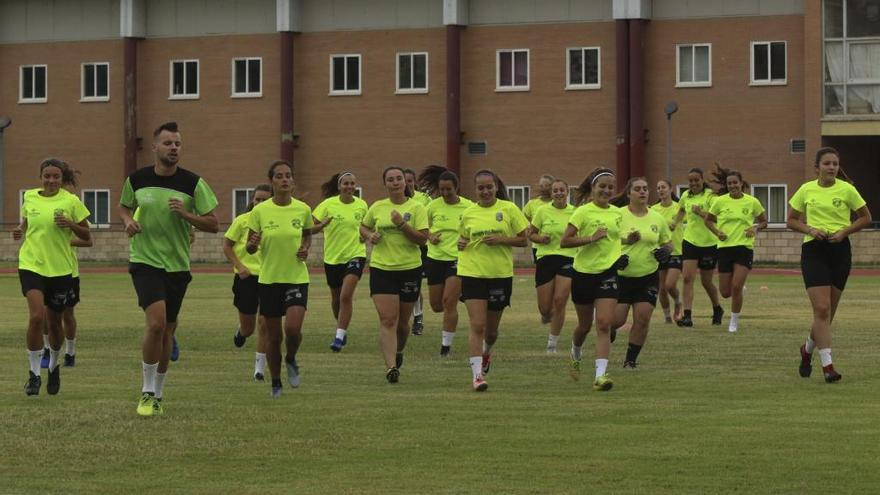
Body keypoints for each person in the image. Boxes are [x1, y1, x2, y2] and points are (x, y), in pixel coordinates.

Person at [119, 122, 219, 417]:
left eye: (177, 143)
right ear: (155, 147)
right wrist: (127, 221)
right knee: (156, 323)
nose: (173, 148)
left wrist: (186, 214)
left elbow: (213, 223)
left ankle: (159, 393)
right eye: (168, 143)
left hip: (177, 266)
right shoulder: (137, 179)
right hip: (145, 261)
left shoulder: (193, 183)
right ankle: (146, 391)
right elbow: (124, 206)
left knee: (167, 332)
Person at [787, 147, 871, 383]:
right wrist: (810, 229)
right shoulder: (806, 189)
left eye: (835, 163)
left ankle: (807, 350)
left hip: (840, 251)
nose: (832, 167)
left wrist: (845, 231)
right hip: (814, 251)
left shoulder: (847, 190)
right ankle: (828, 366)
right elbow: (791, 220)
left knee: (827, 314)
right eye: (827, 163)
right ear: (817, 167)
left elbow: (866, 217)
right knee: (821, 309)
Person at [15, 158, 91, 396]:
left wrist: (69, 223)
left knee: (55, 324)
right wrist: (20, 229)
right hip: (31, 264)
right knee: (37, 317)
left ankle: (54, 364)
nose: (50, 181)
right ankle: (34, 374)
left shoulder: (71, 201)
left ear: (61, 178)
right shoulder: (29, 197)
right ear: (40, 177)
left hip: (59, 270)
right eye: (46, 176)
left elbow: (86, 233)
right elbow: (27, 222)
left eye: (55, 177)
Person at [246, 160, 314, 398]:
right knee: (274, 337)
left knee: (293, 329)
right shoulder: (259, 212)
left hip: (296, 277)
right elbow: (250, 247)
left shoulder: (302, 209)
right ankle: (275, 382)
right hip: (269, 280)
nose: (285, 179)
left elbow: (307, 235)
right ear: (272, 181)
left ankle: (292, 358)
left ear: (292, 181)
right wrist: (252, 244)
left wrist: (305, 247)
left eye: (288, 176)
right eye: (279, 176)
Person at [457, 169, 528, 392]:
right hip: (472, 272)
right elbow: (463, 238)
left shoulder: (508, 209)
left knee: (491, 331)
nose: (485, 191)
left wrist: (501, 240)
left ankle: (487, 352)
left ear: (496, 186)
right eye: (481, 188)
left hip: (500, 275)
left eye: (489, 187)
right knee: (477, 325)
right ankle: (477, 376)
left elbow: (523, 240)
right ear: (475, 189)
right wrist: (460, 243)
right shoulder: (469, 213)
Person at [361, 167, 429, 383]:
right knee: (388, 319)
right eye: (390, 179)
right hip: (382, 269)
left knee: (402, 323)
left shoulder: (417, 208)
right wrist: (370, 235)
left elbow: (422, 239)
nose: (396, 182)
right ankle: (391, 368)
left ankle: (398, 352)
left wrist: (401, 224)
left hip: (409, 268)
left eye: (399, 178)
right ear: (385, 184)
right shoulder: (377, 207)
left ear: (406, 183)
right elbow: (363, 227)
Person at [561, 167, 622, 391]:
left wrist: (630, 239)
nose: (606, 190)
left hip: (608, 273)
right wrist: (590, 238)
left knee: (604, 324)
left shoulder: (617, 213)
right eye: (602, 186)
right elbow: (565, 241)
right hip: (584, 274)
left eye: (610, 187)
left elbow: (616, 238)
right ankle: (575, 352)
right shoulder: (582, 212)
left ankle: (601, 375)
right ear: (593, 188)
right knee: (584, 326)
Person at [609, 177, 671, 369]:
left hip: (648, 276)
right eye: (637, 189)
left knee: (643, 318)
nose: (643, 192)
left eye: (645, 188)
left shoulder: (657, 218)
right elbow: (607, 242)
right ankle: (609, 328)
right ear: (629, 194)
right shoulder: (617, 215)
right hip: (622, 276)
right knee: (617, 320)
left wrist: (665, 252)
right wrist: (615, 260)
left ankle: (630, 360)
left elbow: (668, 242)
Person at [419, 165, 473, 356]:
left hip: (457, 259)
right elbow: (423, 228)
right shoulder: (432, 206)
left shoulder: (468, 207)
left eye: (448, 189)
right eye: (442, 189)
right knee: (436, 305)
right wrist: (430, 236)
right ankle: (461, 293)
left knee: (448, 302)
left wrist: (466, 240)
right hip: (435, 259)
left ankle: (445, 347)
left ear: (456, 187)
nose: (445, 193)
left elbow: (475, 230)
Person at [705, 166, 768, 333]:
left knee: (736, 286)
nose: (732, 185)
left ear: (741, 183)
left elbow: (763, 221)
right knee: (725, 292)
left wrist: (755, 228)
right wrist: (718, 232)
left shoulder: (752, 201)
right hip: (725, 248)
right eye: (729, 183)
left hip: (744, 248)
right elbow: (708, 221)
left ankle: (734, 321)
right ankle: (738, 290)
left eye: (735, 183)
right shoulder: (720, 202)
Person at [312, 172, 369, 352]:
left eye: (352, 183)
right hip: (333, 258)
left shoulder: (361, 205)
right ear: (339, 186)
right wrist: (321, 226)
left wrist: (365, 236)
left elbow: (368, 226)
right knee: (336, 299)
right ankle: (341, 327)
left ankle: (338, 336)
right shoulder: (327, 205)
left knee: (346, 296)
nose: (349, 187)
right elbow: (310, 227)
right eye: (346, 183)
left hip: (355, 255)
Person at [224, 184, 271, 380]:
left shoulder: (275, 222)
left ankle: (259, 369)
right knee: (249, 328)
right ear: (252, 200)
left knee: (266, 323)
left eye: (265, 200)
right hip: (246, 278)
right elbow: (227, 246)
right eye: (257, 199)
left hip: (270, 277)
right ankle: (241, 333)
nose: (260, 203)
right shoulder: (242, 221)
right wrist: (239, 266)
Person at [528, 179, 576, 353]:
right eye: (555, 191)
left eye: (562, 190)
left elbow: (581, 234)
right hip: (546, 258)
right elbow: (530, 234)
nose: (559, 193)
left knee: (560, 301)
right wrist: (540, 239)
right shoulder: (542, 211)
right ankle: (547, 315)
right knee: (545, 308)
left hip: (567, 258)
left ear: (567, 191)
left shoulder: (575, 212)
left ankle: (552, 344)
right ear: (551, 194)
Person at [671, 168, 723, 327]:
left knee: (706, 282)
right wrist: (676, 221)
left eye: (696, 180)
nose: (693, 183)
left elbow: (716, 217)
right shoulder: (686, 196)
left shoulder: (710, 196)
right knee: (687, 278)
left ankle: (717, 308)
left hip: (709, 243)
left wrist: (701, 213)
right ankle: (687, 316)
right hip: (690, 242)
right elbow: (681, 210)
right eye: (690, 181)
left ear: (702, 180)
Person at [651, 180, 684, 324]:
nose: (660, 190)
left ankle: (678, 302)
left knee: (669, 285)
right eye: (658, 188)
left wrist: (675, 223)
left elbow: (692, 220)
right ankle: (667, 317)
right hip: (660, 251)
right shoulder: (653, 209)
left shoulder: (679, 208)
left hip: (676, 250)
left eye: (663, 187)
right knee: (661, 289)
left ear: (671, 189)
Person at [405, 168, 432, 335]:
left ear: (414, 182)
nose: (406, 184)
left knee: (416, 284)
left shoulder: (424, 199)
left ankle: (418, 317)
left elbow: (430, 219)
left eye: (409, 180)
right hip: (402, 247)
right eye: (404, 180)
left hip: (422, 246)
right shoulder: (396, 201)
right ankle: (413, 317)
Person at [522, 174, 555, 273]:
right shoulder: (532, 204)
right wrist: (529, 229)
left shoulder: (557, 202)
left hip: (556, 244)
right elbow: (522, 219)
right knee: (542, 273)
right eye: (541, 186)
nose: (544, 189)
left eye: (547, 186)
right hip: (538, 246)